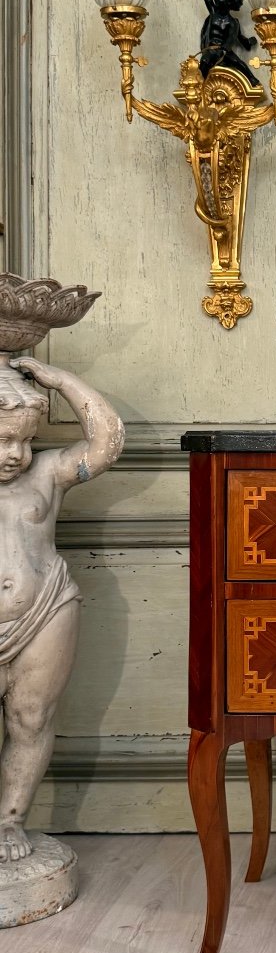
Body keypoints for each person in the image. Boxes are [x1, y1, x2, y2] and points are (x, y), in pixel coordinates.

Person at [0, 357, 124, 862]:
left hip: (45, 611)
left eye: (25, 440)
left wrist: (61, 382)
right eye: (4, 440)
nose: (16, 454)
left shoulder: (47, 474)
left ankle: (9, 822)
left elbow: (107, 443)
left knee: (31, 719)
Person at [200, 0, 260, 86]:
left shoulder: (232, 23)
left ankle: (253, 81)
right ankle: (203, 86)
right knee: (205, 61)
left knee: (240, 64)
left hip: (224, 52)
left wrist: (249, 42)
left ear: (230, 1)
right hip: (211, 50)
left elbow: (235, 40)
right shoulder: (213, 12)